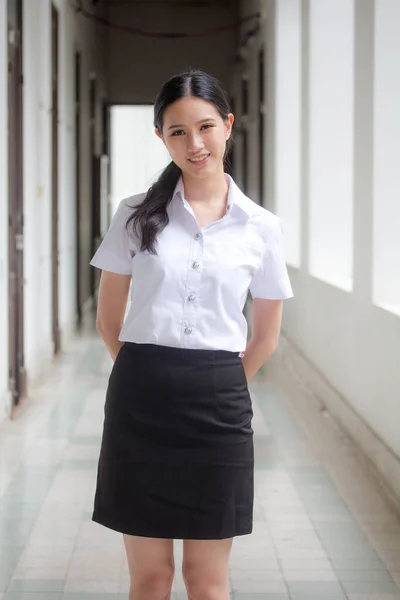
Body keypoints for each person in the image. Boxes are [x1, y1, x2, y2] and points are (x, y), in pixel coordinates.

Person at [90, 69, 293, 600]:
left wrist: (218, 381)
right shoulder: (134, 215)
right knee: (151, 579)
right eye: (177, 131)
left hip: (219, 409)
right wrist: (148, 375)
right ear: (160, 136)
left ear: (227, 125)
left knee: (206, 581)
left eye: (205, 127)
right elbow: (109, 322)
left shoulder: (260, 227)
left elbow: (267, 335)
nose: (194, 143)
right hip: (141, 401)